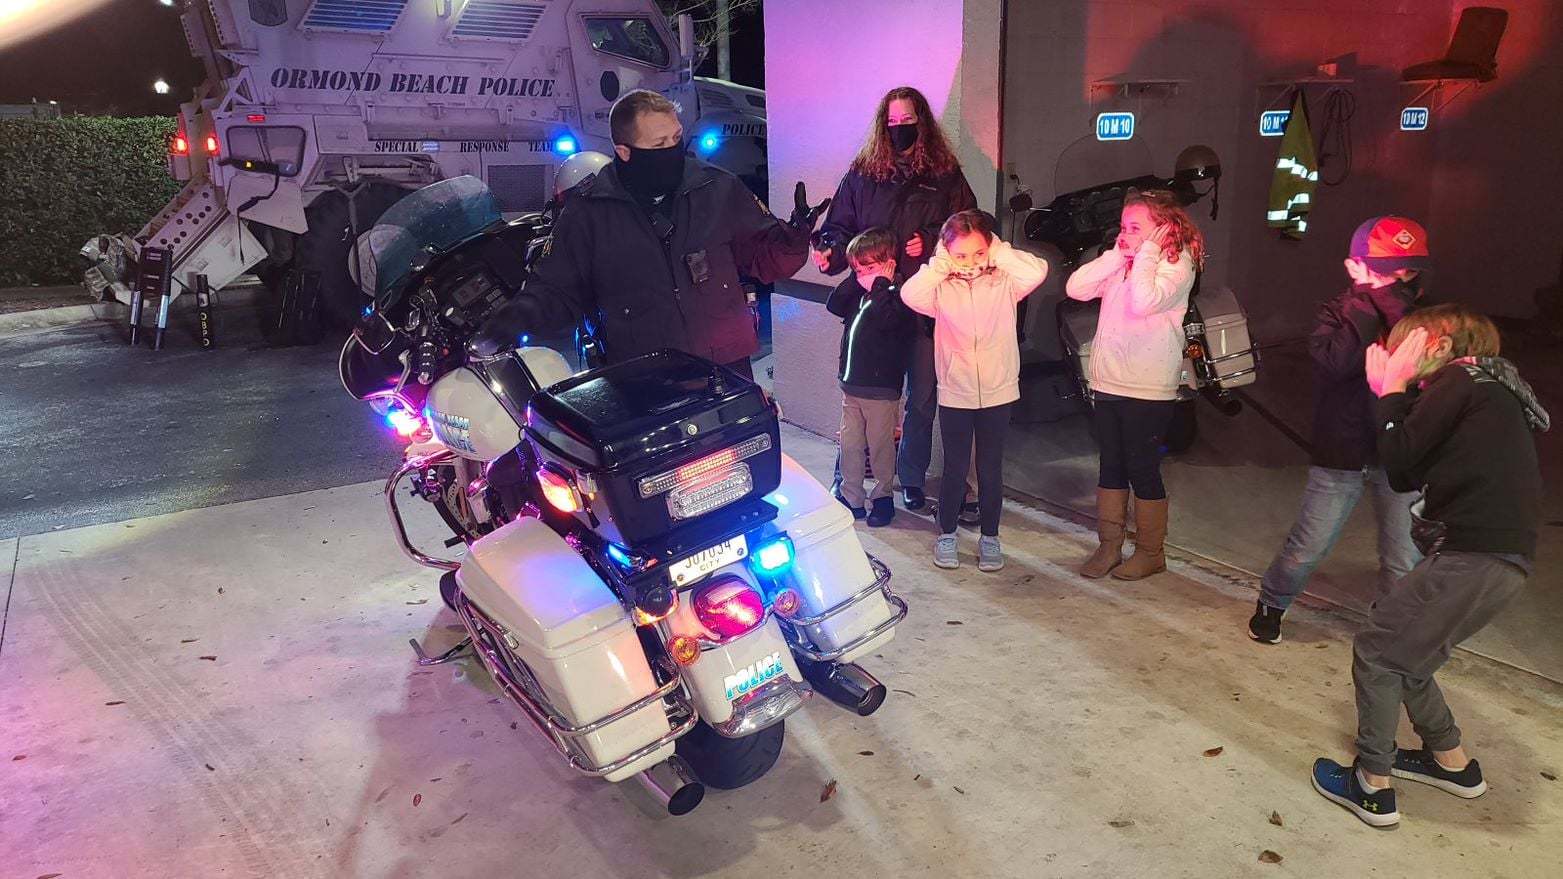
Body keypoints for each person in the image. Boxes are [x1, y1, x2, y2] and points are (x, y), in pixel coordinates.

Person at [1311, 305, 1548, 828]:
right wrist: (1394, 396)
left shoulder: (1461, 379)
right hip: (1500, 560)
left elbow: (1396, 462)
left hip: (1473, 554)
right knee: (1411, 657)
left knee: (1377, 651)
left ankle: (1371, 784)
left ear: (1437, 345)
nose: (1394, 355)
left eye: (1402, 346)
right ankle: (1453, 765)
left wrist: (1389, 390)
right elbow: (1405, 470)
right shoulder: (1486, 389)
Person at [472, 90, 825, 377]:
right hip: (642, 376)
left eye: (676, 138)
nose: (672, 151)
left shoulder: (717, 187)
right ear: (624, 151)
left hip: (724, 370)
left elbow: (767, 261)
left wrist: (795, 236)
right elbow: (556, 289)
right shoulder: (589, 211)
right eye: (658, 146)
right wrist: (512, 320)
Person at [1248, 217, 1430, 644]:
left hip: (1399, 450)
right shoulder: (1340, 309)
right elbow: (1334, 364)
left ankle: (1391, 628)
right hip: (1342, 448)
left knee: (1402, 555)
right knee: (1308, 545)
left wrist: (1385, 301)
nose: (1398, 278)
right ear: (1358, 266)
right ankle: (1273, 601)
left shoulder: (1423, 318)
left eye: (1406, 269)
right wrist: (1368, 304)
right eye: (1387, 269)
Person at [813, 86, 977, 513]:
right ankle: (848, 481)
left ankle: (911, 478)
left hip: (923, 303)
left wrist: (931, 238)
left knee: (922, 396)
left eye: (908, 122)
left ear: (922, 123)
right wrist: (829, 250)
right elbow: (840, 227)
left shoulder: (944, 173)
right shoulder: (864, 173)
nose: (900, 130)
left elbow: (969, 225)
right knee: (862, 400)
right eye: (893, 123)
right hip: (872, 305)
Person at [900, 210, 1047, 572]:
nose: (970, 263)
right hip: (956, 390)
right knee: (954, 466)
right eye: (961, 255)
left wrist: (997, 252)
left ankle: (991, 538)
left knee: (990, 468)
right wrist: (940, 265)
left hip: (998, 391)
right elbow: (909, 293)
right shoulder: (940, 287)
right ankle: (947, 533)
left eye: (978, 253)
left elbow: (1037, 269)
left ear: (991, 248)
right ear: (948, 253)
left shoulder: (1005, 282)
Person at [1066, 191, 1201, 581]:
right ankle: (1109, 546)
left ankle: (1149, 551)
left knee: (1142, 467)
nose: (1126, 234)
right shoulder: (1123, 263)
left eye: (1135, 227)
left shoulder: (1177, 265)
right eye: (1123, 227)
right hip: (1109, 380)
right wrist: (1114, 256)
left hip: (1148, 387)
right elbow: (1076, 288)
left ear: (1162, 230)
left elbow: (1144, 302)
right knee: (1110, 464)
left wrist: (1143, 256)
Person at [825, 228, 918, 527]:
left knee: (880, 447)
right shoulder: (860, 293)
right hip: (851, 387)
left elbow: (889, 321)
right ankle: (851, 495)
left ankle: (882, 497)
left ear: (890, 264)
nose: (864, 274)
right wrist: (856, 279)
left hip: (881, 391)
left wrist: (881, 285)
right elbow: (834, 304)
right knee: (850, 445)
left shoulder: (897, 296)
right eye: (858, 268)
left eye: (871, 267)